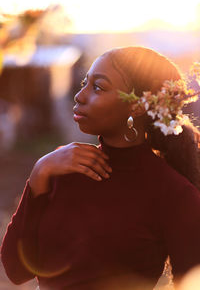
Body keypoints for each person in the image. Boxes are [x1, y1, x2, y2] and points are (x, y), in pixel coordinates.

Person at [1, 46, 200, 290]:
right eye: (85, 82)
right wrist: (39, 173)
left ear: (136, 106)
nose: (79, 95)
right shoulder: (63, 168)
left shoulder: (174, 193)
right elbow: (16, 270)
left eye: (98, 87)